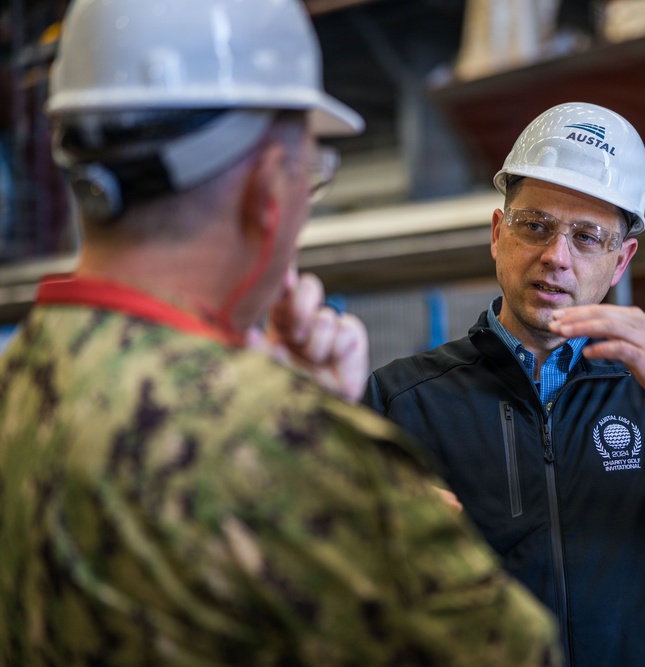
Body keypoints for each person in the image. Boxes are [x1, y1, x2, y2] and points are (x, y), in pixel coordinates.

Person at [0, 0, 562, 665]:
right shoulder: (284, 443)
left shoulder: (22, 380)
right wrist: (342, 453)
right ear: (268, 188)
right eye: (311, 176)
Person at [364, 101, 645, 667]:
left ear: (621, 261)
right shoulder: (404, 400)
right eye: (535, 227)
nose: (556, 257)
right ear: (499, 234)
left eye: (587, 237)